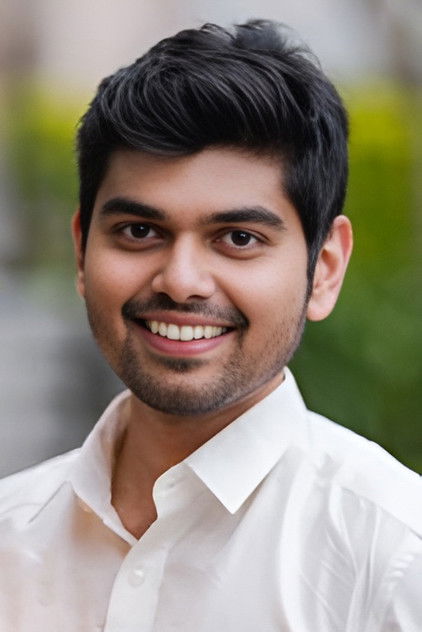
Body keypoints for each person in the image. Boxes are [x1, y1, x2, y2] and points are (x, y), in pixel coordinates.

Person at [0, 19, 420, 631]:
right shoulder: (11, 534)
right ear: (82, 250)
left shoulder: (394, 559)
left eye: (238, 238)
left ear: (325, 269)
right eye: (139, 231)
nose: (181, 280)